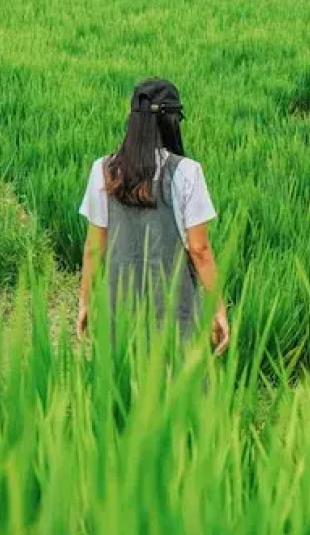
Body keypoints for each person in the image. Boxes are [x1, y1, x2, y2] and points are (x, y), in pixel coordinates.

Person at [76, 78, 229, 354]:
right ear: (171, 121)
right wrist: (218, 307)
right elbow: (200, 249)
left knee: (122, 383)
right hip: (174, 307)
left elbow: (93, 248)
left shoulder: (103, 169)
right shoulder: (187, 172)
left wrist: (84, 301)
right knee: (177, 385)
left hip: (118, 305)